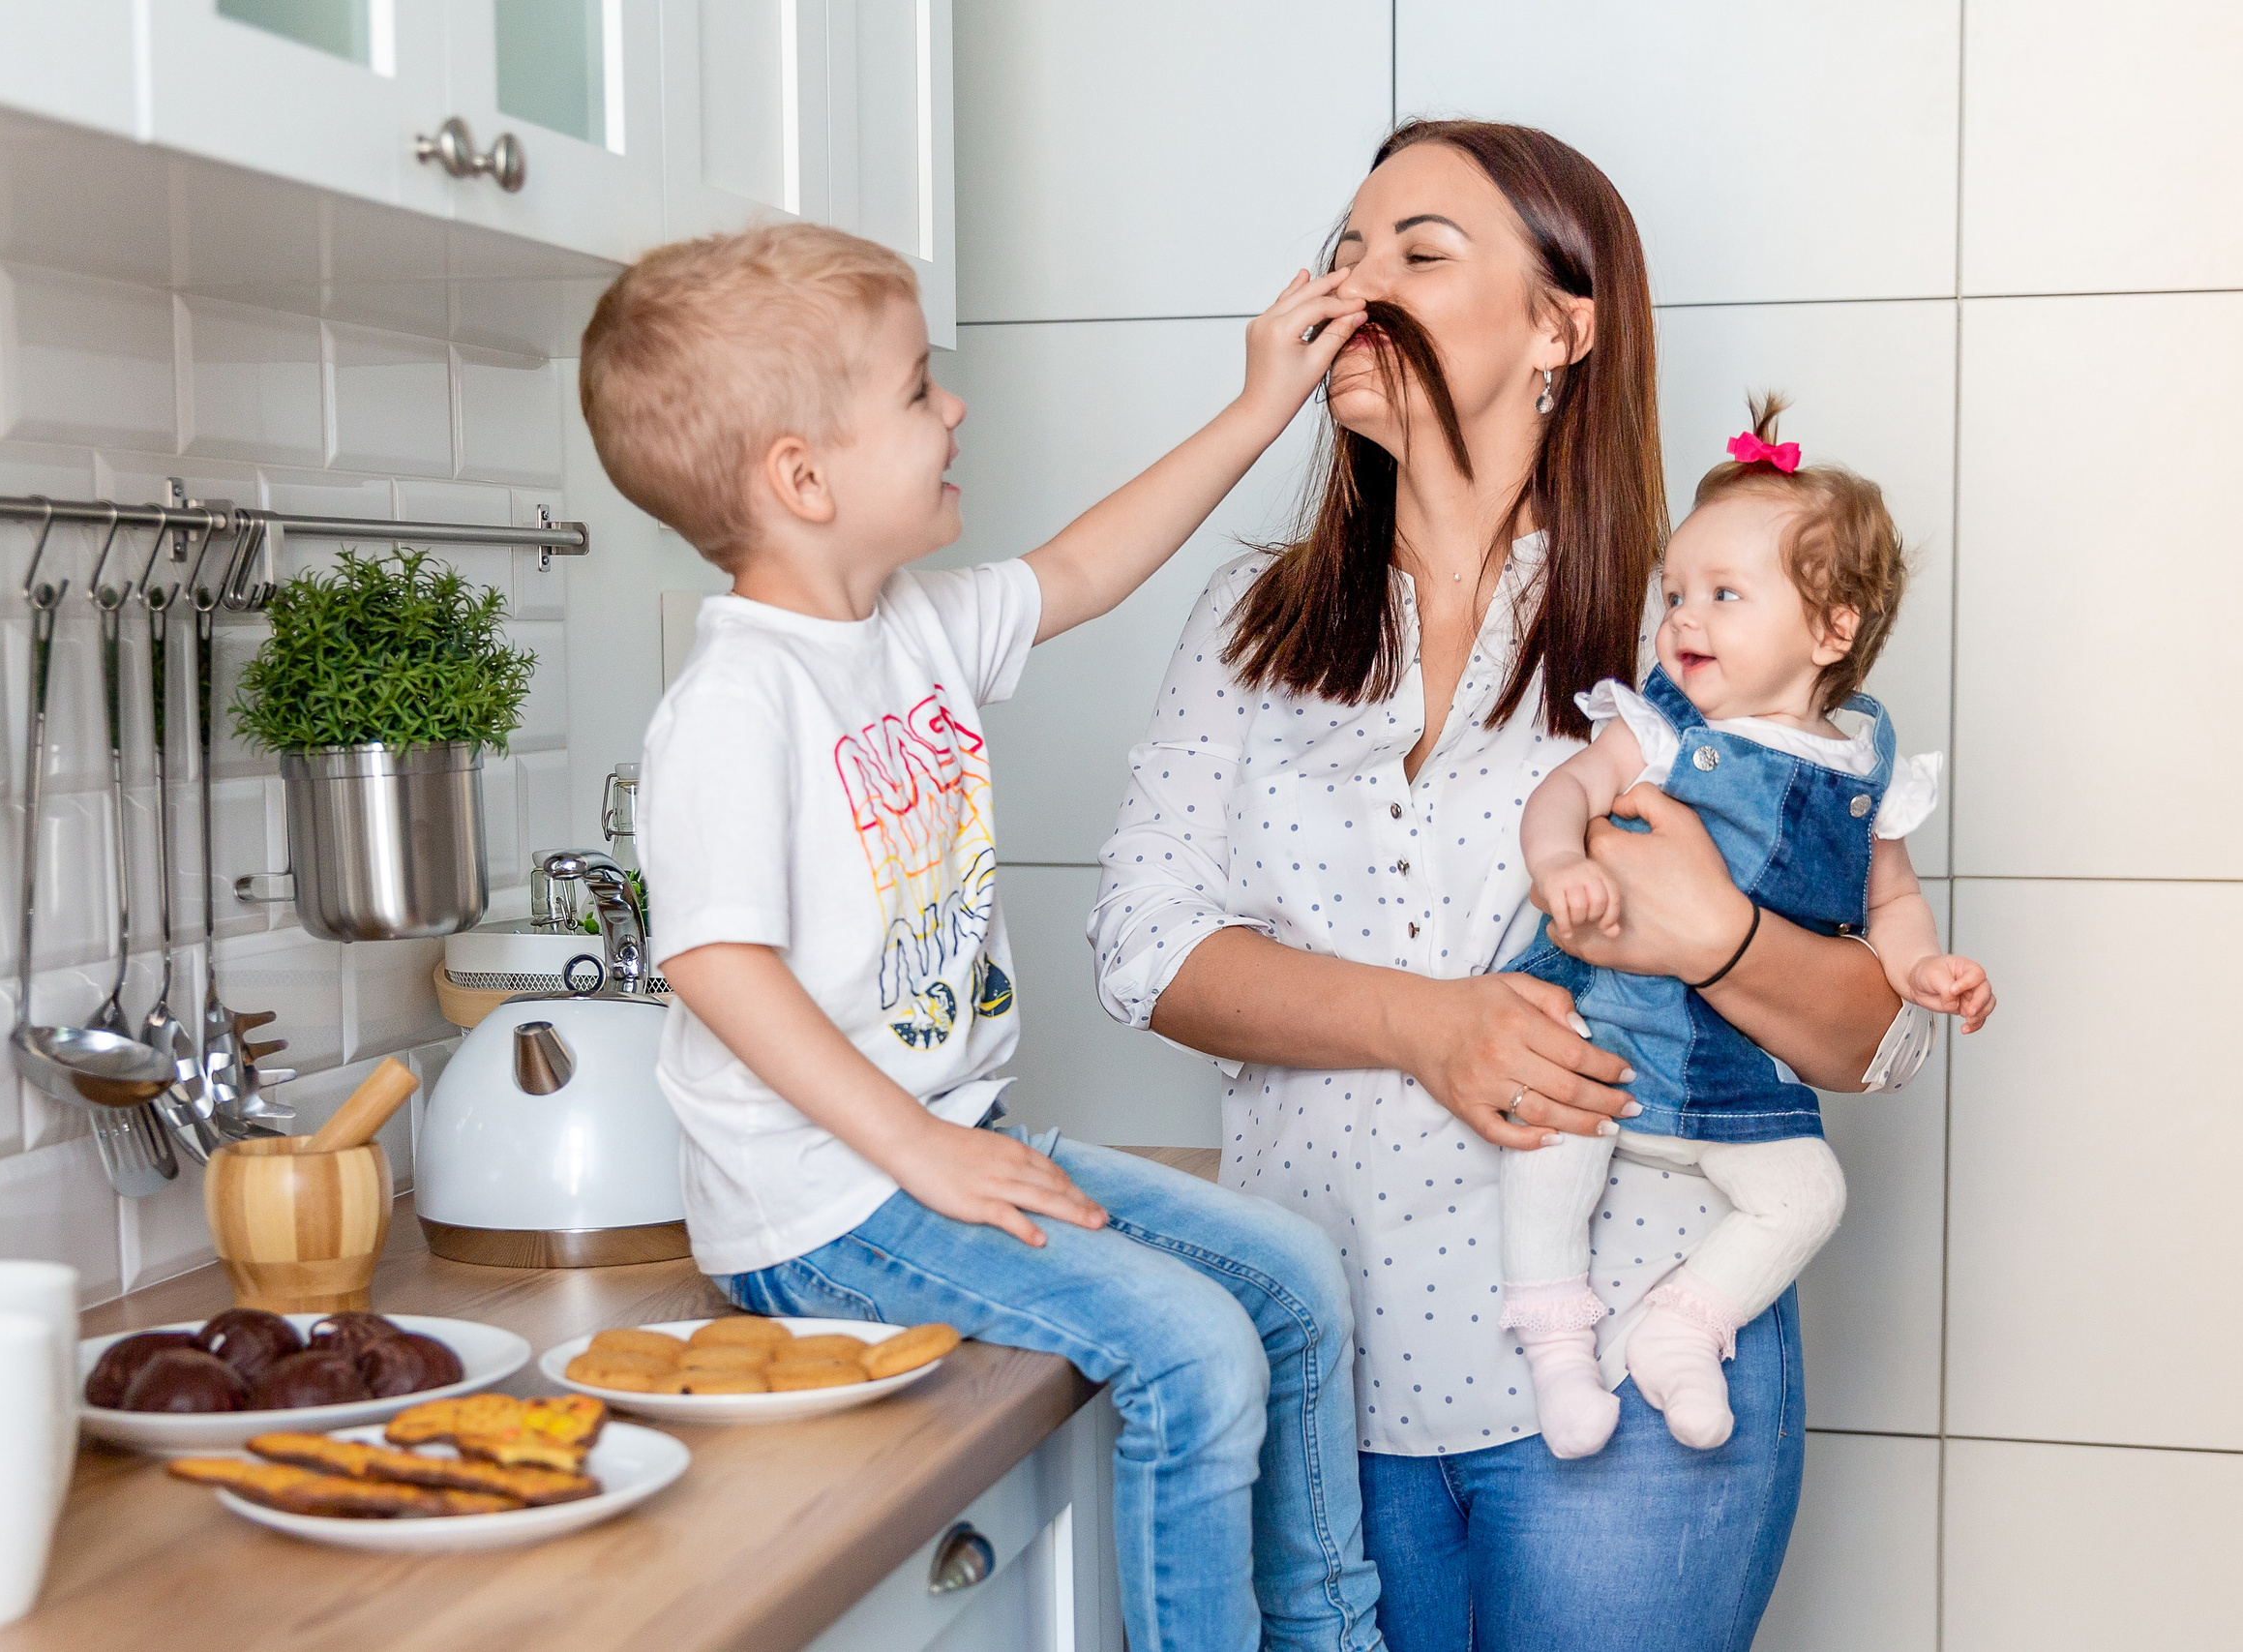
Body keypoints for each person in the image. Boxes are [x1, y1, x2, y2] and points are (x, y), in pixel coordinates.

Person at [1091, 120, 1937, 1651]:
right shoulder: (1248, 619)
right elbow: (1145, 948)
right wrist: (1427, 1022)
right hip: (1328, 1364)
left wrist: (1729, 934)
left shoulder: (1678, 624)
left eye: (1421, 250)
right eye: (1345, 251)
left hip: (1629, 1359)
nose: (1360, 285)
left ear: (1563, 326)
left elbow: (1879, 1033)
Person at [581, 221, 1384, 1652]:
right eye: (913, 388)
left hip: (949, 1140)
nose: (952, 406)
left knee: (1297, 1280)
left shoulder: (909, 626)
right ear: (801, 476)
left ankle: (1329, 1631)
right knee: (1194, 1348)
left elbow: (1084, 568)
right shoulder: (735, 699)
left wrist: (1261, 405)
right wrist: (921, 1148)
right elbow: (716, 966)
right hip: (827, 1205)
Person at [1502, 394, 1994, 1459]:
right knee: (1550, 1146)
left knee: (1810, 1191)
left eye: (1724, 594)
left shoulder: (1863, 769)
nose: (1683, 619)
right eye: (1675, 592)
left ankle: (1683, 1328)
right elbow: (1564, 793)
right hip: (1609, 1035)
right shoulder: (1661, 731)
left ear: (1832, 630)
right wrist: (1555, 863)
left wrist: (1927, 969)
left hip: (1735, 1070)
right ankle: (1555, 1348)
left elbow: (1890, 902)